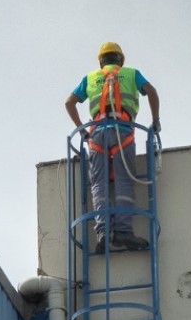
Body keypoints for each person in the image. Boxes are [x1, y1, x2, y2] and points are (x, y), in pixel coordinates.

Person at [65, 42, 161, 253]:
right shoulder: (131, 73)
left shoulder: (89, 78)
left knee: (98, 184)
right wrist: (156, 121)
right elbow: (151, 91)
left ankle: (102, 232)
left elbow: (69, 102)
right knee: (124, 180)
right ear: (120, 59)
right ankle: (123, 232)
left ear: (101, 61)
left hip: (96, 134)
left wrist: (81, 130)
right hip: (123, 132)